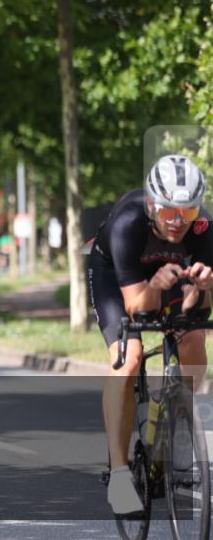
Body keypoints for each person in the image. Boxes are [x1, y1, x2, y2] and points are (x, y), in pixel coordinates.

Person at [89, 154, 213, 515]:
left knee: (192, 338)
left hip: (170, 273)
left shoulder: (204, 228)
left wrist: (203, 288)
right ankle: (120, 473)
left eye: (187, 212)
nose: (178, 222)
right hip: (119, 277)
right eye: (169, 211)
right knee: (128, 359)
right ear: (150, 204)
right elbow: (137, 308)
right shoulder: (128, 224)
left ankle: (178, 428)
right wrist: (156, 289)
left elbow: (198, 309)